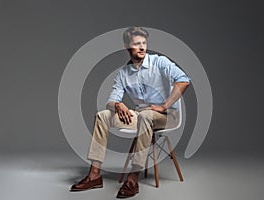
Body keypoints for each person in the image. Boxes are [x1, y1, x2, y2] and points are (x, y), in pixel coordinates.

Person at [70, 27, 191, 198]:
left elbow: (184, 80)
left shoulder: (159, 62)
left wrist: (164, 106)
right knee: (103, 116)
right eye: (136, 44)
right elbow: (111, 100)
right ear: (127, 47)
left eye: (144, 43)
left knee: (146, 115)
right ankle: (94, 175)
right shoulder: (123, 74)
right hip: (142, 115)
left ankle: (133, 178)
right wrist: (117, 104)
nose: (142, 47)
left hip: (167, 116)